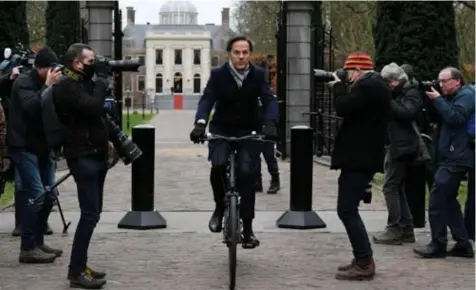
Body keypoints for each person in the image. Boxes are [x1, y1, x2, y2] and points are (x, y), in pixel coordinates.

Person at [189, 36, 279, 249]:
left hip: (249, 130)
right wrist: (200, 123)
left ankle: (247, 229)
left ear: (249, 54)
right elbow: (207, 99)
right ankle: (220, 208)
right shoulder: (219, 74)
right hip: (222, 129)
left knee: (247, 175)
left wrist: (270, 122)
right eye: (237, 52)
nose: (241, 56)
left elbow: (269, 99)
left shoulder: (258, 75)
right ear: (230, 53)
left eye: (245, 52)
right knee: (218, 166)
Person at [327, 52, 391, 280]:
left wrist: (337, 87)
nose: (347, 77)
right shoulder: (374, 86)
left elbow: (344, 107)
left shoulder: (369, 86)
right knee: (348, 208)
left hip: (359, 158)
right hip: (361, 157)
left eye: (348, 72)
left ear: (357, 70)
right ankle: (362, 257)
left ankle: (364, 262)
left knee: (346, 209)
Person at [53, 43, 109, 289]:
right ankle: (76, 271)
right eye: (91, 60)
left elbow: (99, 115)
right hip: (81, 155)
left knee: (93, 213)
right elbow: (93, 106)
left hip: (95, 153)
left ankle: (80, 265)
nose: (94, 64)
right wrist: (103, 80)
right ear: (77, 63)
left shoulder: (82, 82)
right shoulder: (66, 85)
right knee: (89, 214)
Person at [7, 47, 62, 264]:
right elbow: (33, 107)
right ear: (41, 68)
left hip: (43, 147)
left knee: (49, 196)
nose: (54, 73)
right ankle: (27, 247)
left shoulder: (48, 84)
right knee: (37, 195)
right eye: (51, 69)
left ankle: (38, 242)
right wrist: (48, 86)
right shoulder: (23, 83)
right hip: (24, 147)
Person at [414, 67, 475, 258]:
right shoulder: (451, 97)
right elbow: (437, 118)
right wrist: (431, 100)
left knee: (437, 199)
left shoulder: (467, 96)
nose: (441, 85)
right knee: (448, 201)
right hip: (450, 155)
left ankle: (438, 244)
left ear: (457, 80)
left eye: (444, 81)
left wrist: (438, 99)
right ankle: (463, 243)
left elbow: (455, 118)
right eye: (439, 81)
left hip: (457, 156)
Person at [372, 63, 429, 245]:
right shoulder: (401, 92)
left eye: (388, 82)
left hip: (402, 145)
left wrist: (387, 100)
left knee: (390, 187)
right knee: (398, 187)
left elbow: (407, 113)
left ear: (396, 80)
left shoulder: (410, 92)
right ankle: (406, 228)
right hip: (397, 143)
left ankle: (394, 229)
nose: (387, 86)